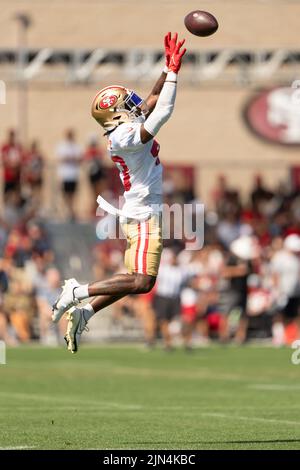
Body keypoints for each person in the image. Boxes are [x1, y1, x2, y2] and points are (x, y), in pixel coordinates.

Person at [52, 32, 186, 353]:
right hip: (143, 216)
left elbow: (152, 100)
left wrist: (167, 68)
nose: (135, 104)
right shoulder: (124, 135)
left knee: (136, 279)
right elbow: (162, 111)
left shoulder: (123, 127)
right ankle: (78, 292)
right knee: (141, 282)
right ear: (116, 115)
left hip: (141, 212)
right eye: (127, 104)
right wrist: (176, 77)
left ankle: (87, 309)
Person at [56, 129, 82, 220]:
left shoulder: (76, 146)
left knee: (73, 194)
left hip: (73, 174)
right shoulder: (62, 146)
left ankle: (71, 211)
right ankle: (69, 210)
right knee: (66, 194)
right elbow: (61, 158)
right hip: (65, 175)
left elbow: (79, 158)